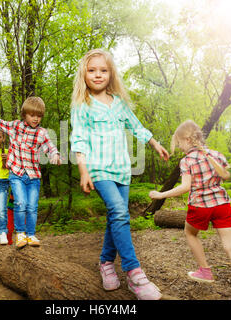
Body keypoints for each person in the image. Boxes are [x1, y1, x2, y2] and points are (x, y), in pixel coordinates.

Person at [70, 48, 169, 300]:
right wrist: (83, 171)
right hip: (98, 169)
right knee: (119, 212)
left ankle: (105, 263)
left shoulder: (119, 104)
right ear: (84, 74)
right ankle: (134, 274)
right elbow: (79, 138)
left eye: (103, 70)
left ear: (111, 73)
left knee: (116, 216)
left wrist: (155, 143)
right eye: (92, 70)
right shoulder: (83, 105)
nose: (97, 74)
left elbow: (136, 126)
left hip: (122, 170)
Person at [149, 119, 231, 300]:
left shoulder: (187, 160)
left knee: (190, 233)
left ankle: (205, 271)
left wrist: (160, 195)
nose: (181, 147)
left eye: (180, 142)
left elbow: (185, 187)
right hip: (222, 204)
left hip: (200, 206)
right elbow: (227, 175)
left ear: (188, 140)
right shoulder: (216, 154)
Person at [0, 96, 61, 248]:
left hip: (33, 176)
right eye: (32, 115)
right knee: (20, 203)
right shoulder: (15, 127)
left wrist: (55, 155)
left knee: (32, 206)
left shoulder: (41, 133)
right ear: (24, 114)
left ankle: (31, 234)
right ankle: (20, 234)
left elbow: (50, 146)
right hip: (17, 174)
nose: (36, 119)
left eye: (39, 116)